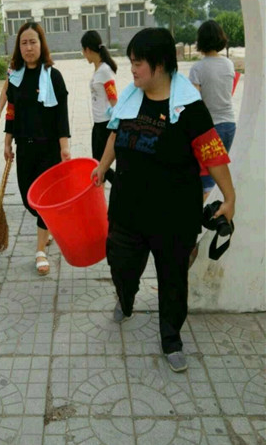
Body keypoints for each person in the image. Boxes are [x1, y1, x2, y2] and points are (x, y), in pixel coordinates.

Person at [92, 28, 235, 373]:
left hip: (173, 215)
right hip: (127, 209)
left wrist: (230, 197)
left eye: (138, 63)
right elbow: (115, 133)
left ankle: (171, 339)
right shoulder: (131, 97)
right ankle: (126, 297)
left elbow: (213, 153)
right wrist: (102, 166)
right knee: (121, 265)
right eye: (131, 62)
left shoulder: (189, 108)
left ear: (159, 65)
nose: (132, 69)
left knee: (172, 280)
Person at [0, 22, 71, 276]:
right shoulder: (15, 77)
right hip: (24, 148)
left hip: (49, 150)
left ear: (42, 44)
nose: (28, 47)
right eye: (24, 43)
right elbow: (11, 111)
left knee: (44, 201)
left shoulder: (53, 76)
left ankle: (40, 250)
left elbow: (61, 114)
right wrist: (7, 141)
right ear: (19, 47)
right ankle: (47, 226)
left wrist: (64, 147)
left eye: (33, 42)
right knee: (29, 200)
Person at [189, 20, 236, 199]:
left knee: (207, 181)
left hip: (210, 129)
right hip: (230, 125)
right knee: (220, 175)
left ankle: (204, 214)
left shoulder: (198, 68)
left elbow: (195, 103)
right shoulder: (228, 64)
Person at [81, 30, 118, 183]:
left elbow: (113, 98)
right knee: (97, 163)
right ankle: (101, 192)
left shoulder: (104, 71)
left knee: (100, 164)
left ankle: (121, 186)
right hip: (98, 123)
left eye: (83, 51)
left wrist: (117, 124)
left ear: (88, 50)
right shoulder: (99, 69)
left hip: (105, 124)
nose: (83, 54)